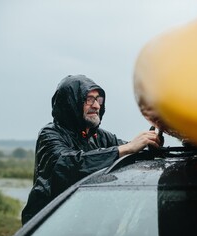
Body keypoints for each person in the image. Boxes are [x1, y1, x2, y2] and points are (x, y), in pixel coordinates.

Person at [21, 74, 161, 225]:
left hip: (82, 220)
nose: (96, 105)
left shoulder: (99, 136)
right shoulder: (50, 134)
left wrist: (155, 135)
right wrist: (126, 148)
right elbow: (67, 164)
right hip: (48, 222)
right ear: (71, 103)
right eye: (89, 99)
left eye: (98, 99)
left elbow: (133, 151)